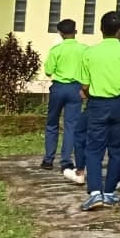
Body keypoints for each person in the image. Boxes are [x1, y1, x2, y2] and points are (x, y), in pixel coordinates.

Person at [79, 11, 120, 211]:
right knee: (117, 149)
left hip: (97, 104)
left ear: (100, 29)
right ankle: (109, 192)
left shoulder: (89, 53)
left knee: (94, 149)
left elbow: (85, 86)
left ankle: (95, 192)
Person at [42, 18, 87, 184]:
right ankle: (66, 162)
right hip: (76, 88)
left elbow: (48, 71)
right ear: (75, 31)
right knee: (71, 125)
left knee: (52, 123)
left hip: (59, 87)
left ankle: (48, 159)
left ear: (60, 33)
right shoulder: (84, 50)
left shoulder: (56, 49)